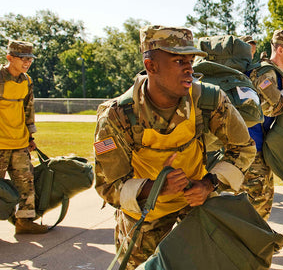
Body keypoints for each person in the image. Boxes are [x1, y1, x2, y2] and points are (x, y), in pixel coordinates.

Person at [94, 25, 256, 269]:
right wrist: (155, 187)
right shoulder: (118, 116)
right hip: (144, 219)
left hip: (194, 208)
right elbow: (108, 186)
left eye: (191, 60)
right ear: (151, 66)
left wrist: (209, 184)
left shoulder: (209, 99)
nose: (190, 69)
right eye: (179, 61)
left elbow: (243, 148)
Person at [242, 29, 283, 220]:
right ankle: (253, 247)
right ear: (280, 50)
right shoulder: (267, 73)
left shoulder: (265, 70)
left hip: (247, 147)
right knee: (259, 207)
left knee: (248, 207)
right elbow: (269, 107)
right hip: (251, 151)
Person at [0, 40, 47, 234]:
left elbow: (29, 109)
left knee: (26, 183)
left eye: (30, 59)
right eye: (23, 59)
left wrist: (30, 136)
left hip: (19, 142)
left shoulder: (27, 80)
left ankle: (24, 222)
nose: (27, 63)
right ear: (9, 58)